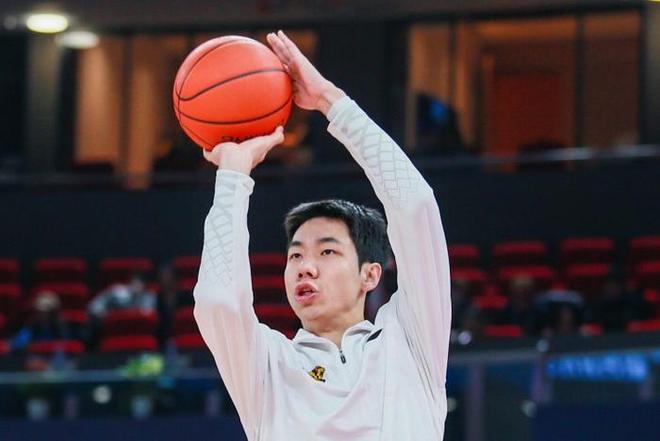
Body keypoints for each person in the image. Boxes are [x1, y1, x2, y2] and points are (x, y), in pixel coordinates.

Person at [194, 30, 451, 440]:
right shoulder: (267, 367)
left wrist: (331, 101)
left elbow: (415, 206)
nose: (305, 267)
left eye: (327, 252)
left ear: (370, 274)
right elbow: (218, 302)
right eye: (295, 255)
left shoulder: (410, 343)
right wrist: (233, 177)